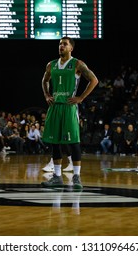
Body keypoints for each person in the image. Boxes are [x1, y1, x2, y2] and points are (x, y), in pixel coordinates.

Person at [41, 36, 98, 189]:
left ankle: (77, 177)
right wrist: (47, 94)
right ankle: (57, 177)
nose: (61, 46)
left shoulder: (77, 64)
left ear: (71, 48)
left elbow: (94, 80)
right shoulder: (51, 65)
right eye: (60, 44)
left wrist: (81, 97)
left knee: (73, 143)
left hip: (69, 106)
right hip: (55, 107)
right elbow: (44, 80)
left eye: (65, 44)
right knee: (55, 143)